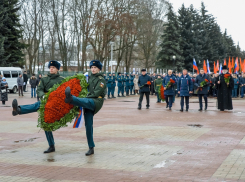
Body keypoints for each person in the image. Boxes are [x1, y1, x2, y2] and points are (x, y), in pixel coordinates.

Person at [12, 60, 64, 154]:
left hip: (56, 104)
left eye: (53, 68)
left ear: (57, 69)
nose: (51, 69)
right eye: (50, 67)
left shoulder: (61, 80)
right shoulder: (44, 79)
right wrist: (42, 96)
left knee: (38, 105)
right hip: (45, 101)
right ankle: (51, 145)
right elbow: (39, 89)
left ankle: (19, 110)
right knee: (45, 123)